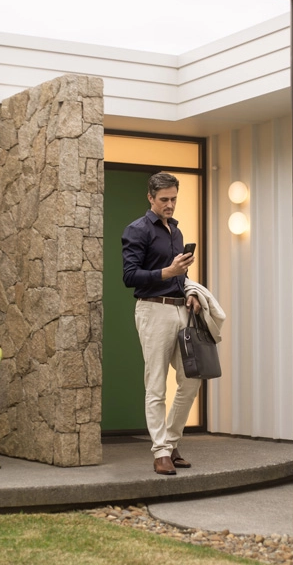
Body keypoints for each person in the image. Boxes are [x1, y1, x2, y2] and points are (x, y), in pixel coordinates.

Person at [122, 172, 202, 476]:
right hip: (152, 311)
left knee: (191, 378)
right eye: (164, 199)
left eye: (174, 199)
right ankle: (160, 452)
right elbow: (129, 277)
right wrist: (166, 273)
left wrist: (190, 291)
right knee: (155, 384)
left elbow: (179, 275)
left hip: (181, 309)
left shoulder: (176, 232)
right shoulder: (137, 230)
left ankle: (170, 441)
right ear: (151, 198)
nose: (170, 205)